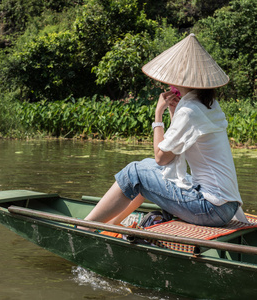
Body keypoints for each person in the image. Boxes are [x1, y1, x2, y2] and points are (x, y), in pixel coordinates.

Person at [82, 33, 247, 230]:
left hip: (210, 209)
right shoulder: (209, 106)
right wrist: (173, 112)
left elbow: (162, 157)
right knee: (147, 166)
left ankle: (86, 226)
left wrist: (158, 115)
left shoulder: (190, 110)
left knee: (134, 172)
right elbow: (175, 145)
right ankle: (113, 224)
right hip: (226, 207)